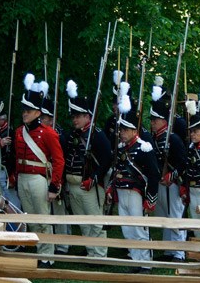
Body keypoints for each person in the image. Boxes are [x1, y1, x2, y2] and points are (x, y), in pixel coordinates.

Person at [15, 73, 65, 269]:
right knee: (31, 217)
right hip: (23, 178)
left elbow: (59, 161)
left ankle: (47, 256)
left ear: (37, 112)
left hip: (38, 178)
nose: (24, 113)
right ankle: (39, 251)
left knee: (43, 218)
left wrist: (54, 185)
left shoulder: (49, 133)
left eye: (28, 110)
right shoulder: (19, 131)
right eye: (23, 109)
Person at [106, 92, 159, 274]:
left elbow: (154, 175)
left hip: (137, 193)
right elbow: (117, 171)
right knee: (128, 230)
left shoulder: (144, 147)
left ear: (134, 131)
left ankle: (146, 264)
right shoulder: (121, 148)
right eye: (121, 130)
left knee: (140, 230)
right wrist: (111, 189)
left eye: (125, 130)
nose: (121, 133)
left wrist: (150, 199)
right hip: (122, 192)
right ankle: (136, 260)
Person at [63, 80, 111, 258]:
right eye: (73, 116)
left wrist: (95, 178)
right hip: (73, 184)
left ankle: (99, 254)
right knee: (82, 221)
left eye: (78, 116)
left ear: (87, 116)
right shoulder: (72, 135)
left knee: (95, 221)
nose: (74, 119)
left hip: (89, 185)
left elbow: (107, 159)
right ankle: (90, 251)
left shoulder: (97, 135)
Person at [150, 85, 187, 262]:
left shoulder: (173, 138)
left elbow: (183, 162)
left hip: (173, 183)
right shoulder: (155, 138)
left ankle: (179, 252)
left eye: (155, 120)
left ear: (164, 121)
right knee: (165, 215)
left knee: (175, 215)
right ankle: (168, 249)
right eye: (152, 120)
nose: (152, 123)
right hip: (161, 181)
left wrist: (170, 177)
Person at [40, 96, 72, 256]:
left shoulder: (59, 134)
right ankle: (48, 242)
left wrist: (59, 180)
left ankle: (63, 244)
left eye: (47, 118)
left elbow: (62, 159)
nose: (46, 121)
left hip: (56, 175)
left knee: (59, 211)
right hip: (42, 174)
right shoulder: (37, 132)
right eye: (44, 118)